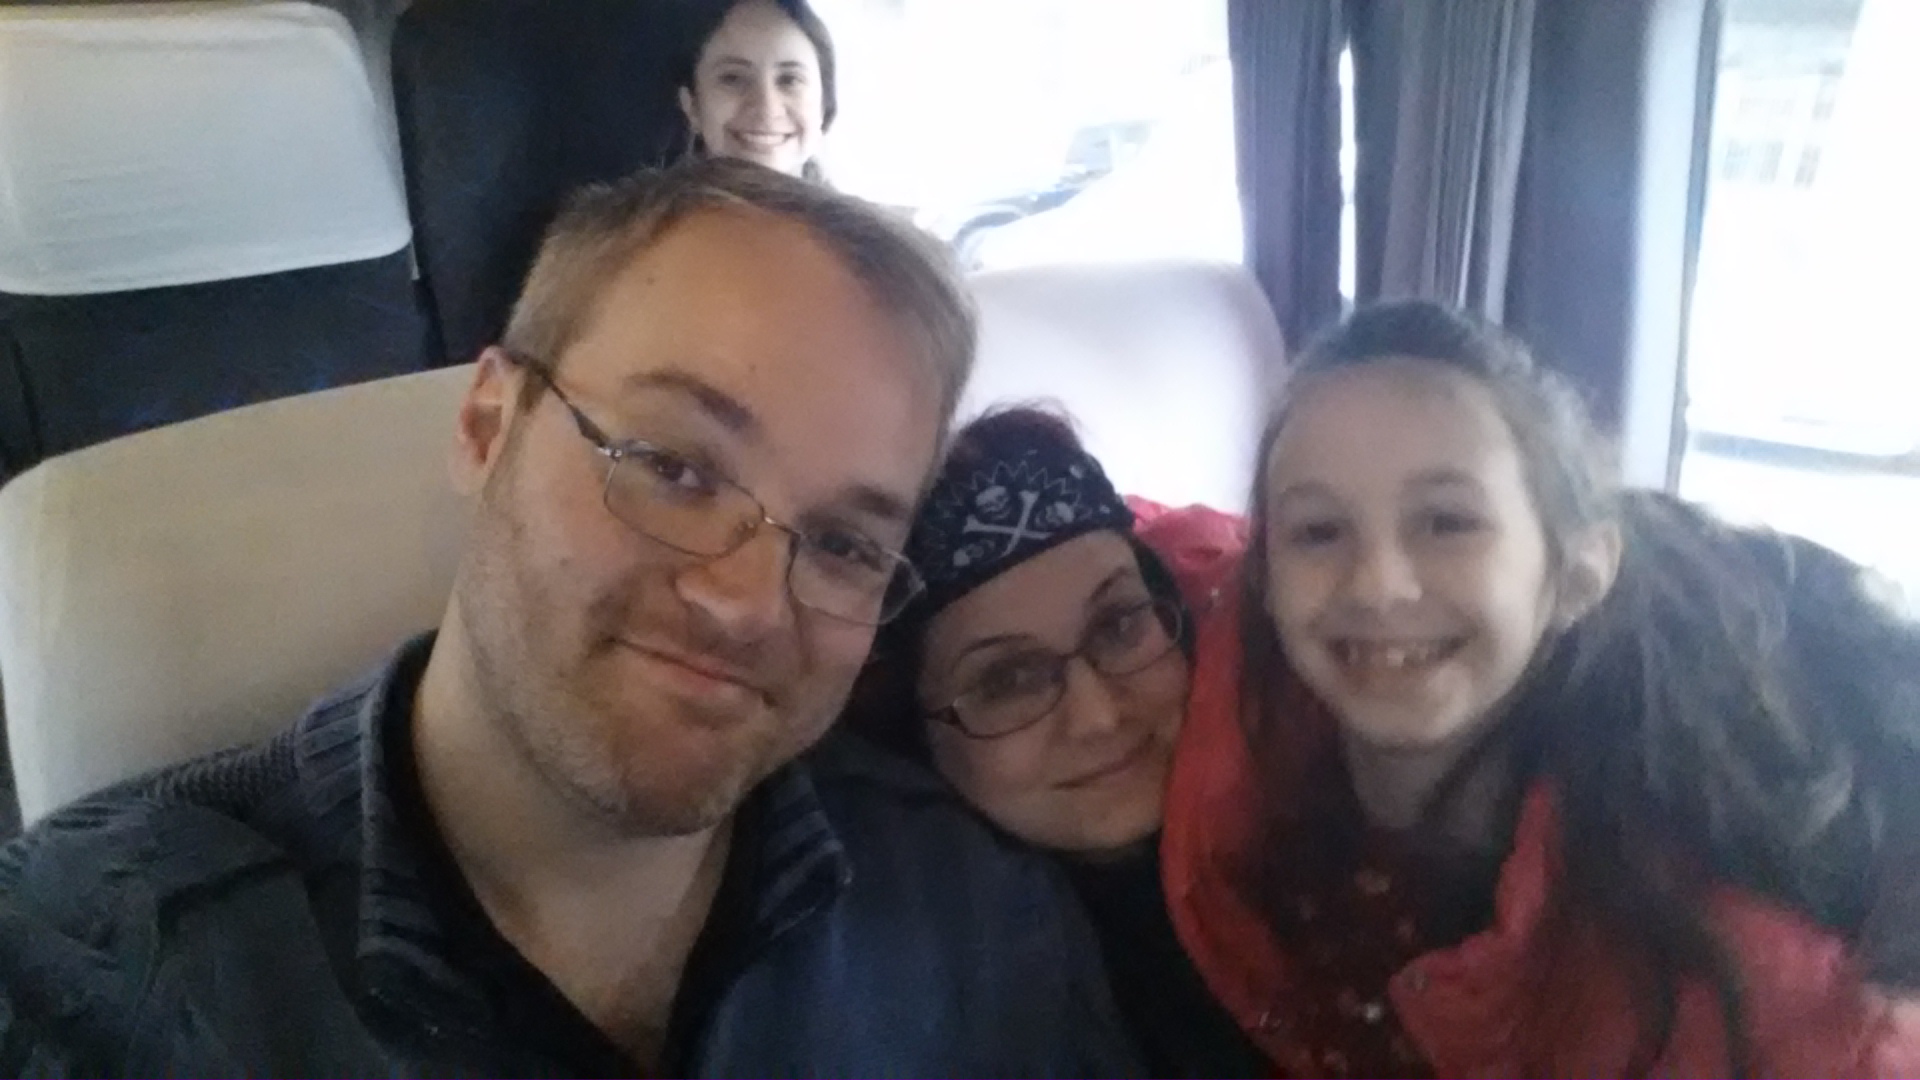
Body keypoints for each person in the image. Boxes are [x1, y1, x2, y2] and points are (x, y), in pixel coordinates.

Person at [0, 159, 1147, 1078]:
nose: (748, 606)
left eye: (845, 545)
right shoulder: (91, 969)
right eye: (674, 467)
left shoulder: (978, 920)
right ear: (487, 426)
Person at [1160, 299, 1920, 1078]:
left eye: (1446, 522)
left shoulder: (1721, 972)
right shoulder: (1236, 718)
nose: (1377, 584)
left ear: (1576, 575)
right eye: (1318, 531)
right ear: (1264, 579)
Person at [848, 406, 1265, 1080]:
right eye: (1009, 680)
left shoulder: (1317, 807)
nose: (1098, 716)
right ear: (917, 732)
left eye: (1119, 624)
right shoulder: (936, 992)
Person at [676, 0, 834, 179]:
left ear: (824, 105)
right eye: (733, 79)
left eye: (789, 80)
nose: (767, 109)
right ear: (692, 106)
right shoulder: (655, 198)